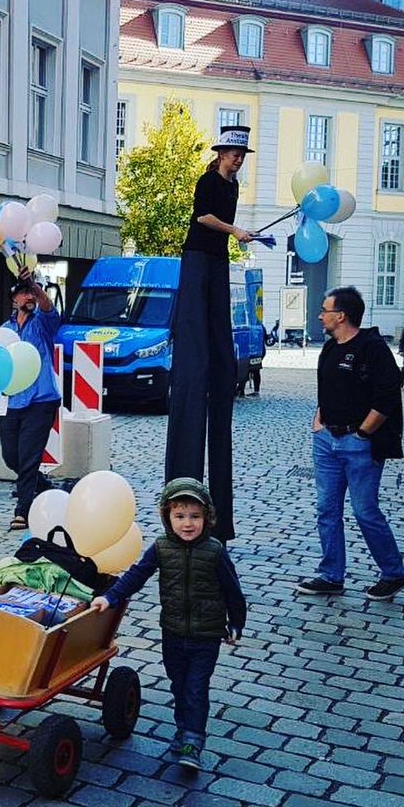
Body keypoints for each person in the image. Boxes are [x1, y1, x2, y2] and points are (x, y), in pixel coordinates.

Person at [90, 477, 245, 773]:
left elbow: (232, 590)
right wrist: (110, 597)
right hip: (172, 632)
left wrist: (236, 623)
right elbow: (137, 575)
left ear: (207, 517)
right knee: (179, 684)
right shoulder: (161, 548)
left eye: (195, 516)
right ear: (167, 517)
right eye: (180, 516)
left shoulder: (214, 551)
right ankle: (183, 730)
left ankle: (192, 741)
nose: (187, 523)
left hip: (206, 635)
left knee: (196, 687)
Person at [164, 125, 257, 543]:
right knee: (196, 332)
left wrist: (240, 235)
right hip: (198, 256)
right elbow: (202, 218)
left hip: (217, 261)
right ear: (220, 154)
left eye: (241, 155)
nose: (237, 160)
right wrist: (235, 231)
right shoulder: (208, 182)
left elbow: (224, 224)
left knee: (218, 325)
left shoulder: (233, 187)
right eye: (233, 154)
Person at [298, 286, 404, 602]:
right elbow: (326, 390)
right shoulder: (330, 347)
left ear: (341, 316)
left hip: (359, 444)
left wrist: (362, 433)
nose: (320, 315)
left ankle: (393, 573)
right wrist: (319, 421)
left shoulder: (372, 348)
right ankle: (331, 576)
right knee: (326, 510)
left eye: (325, 310)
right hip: (326, 441)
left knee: (365, 511)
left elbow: (388, 396)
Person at [0, 270, 62, 531]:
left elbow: (48, 305)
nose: (30, 297)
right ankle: (41, 484)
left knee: (30, 456)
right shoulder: (4, 331)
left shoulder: (43, 323)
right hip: (11, 401)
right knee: (12, 457)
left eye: (32, 293)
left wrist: (32, 283)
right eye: (24, 293)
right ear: (14, 299)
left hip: (41, 400)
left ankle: (23, 510)